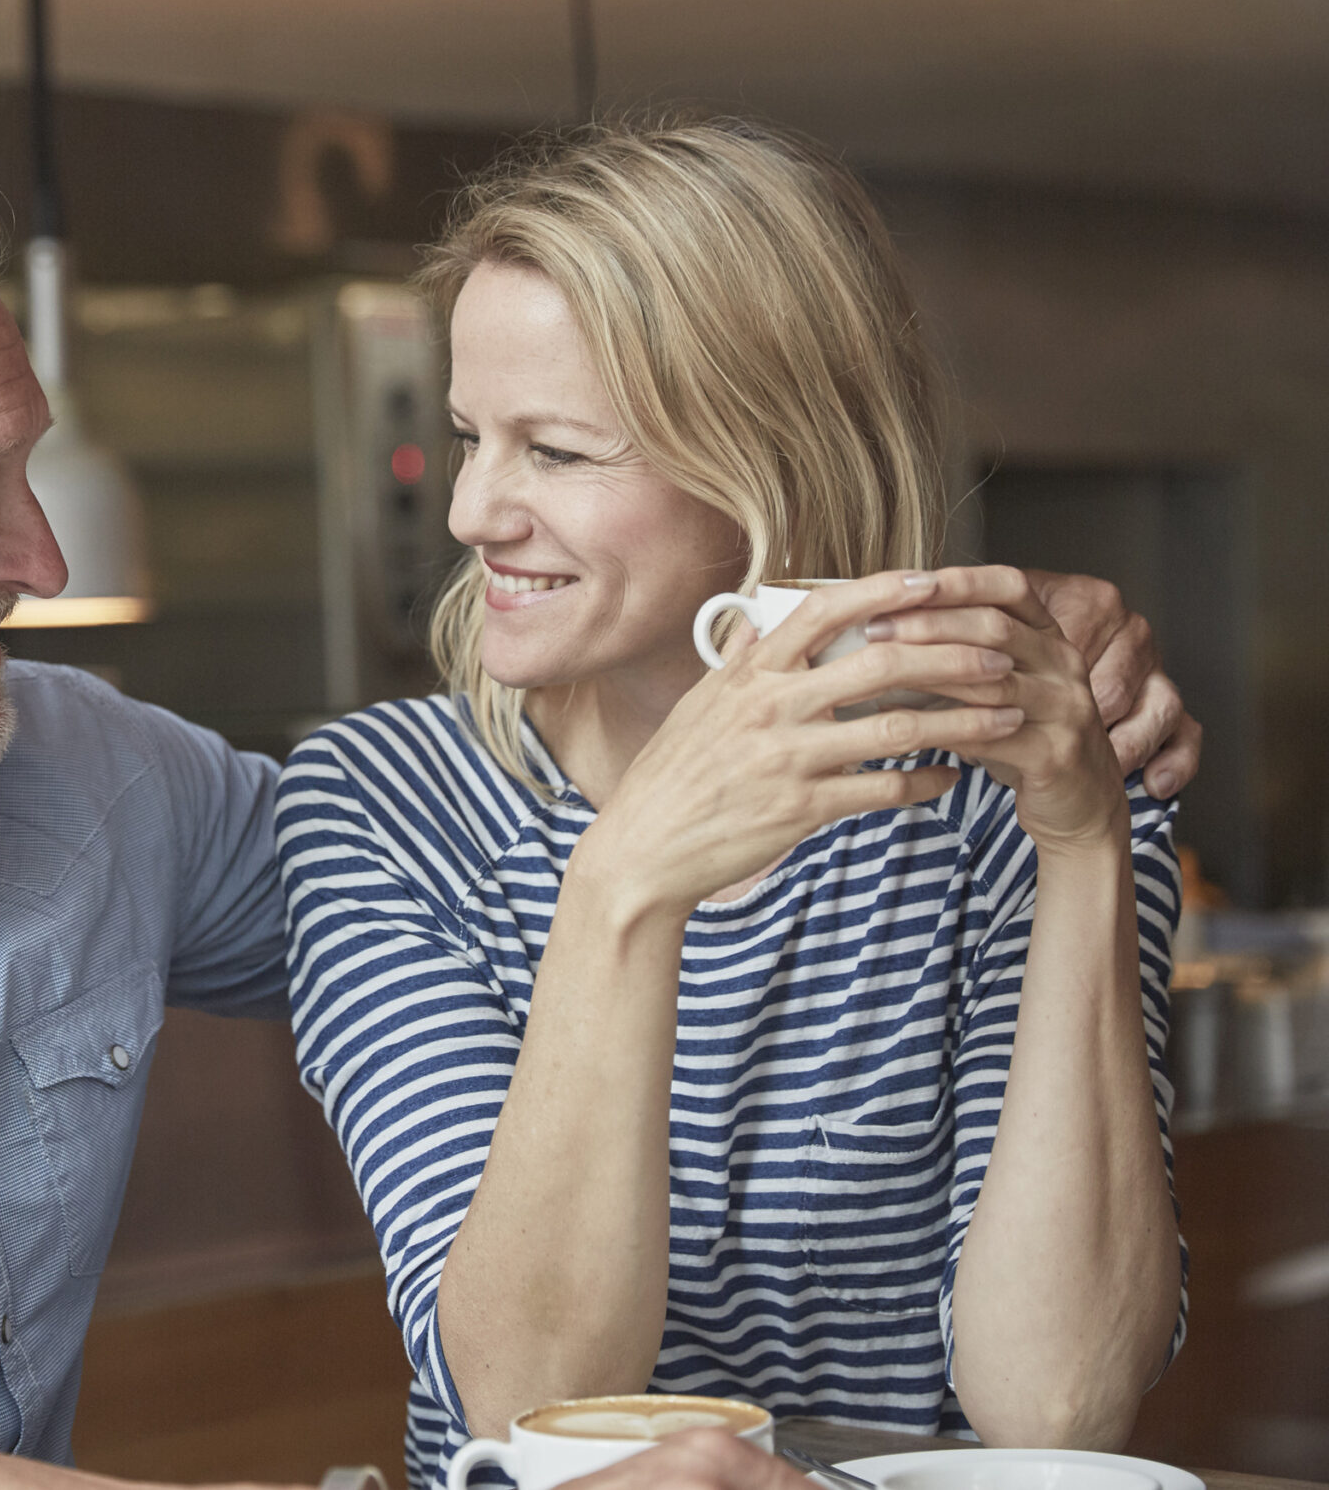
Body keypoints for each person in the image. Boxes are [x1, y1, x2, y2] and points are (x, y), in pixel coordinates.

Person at [0, 131, 1195, 1490]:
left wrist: (1057, 707)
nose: (40, 558)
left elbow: (1058, 1407)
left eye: (552, 447)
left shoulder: (87, 785)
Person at [276, 116, 1190, 1490]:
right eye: (472, 435)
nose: (471, 510)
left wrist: (1083, 842)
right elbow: (527, 1403)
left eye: (558, 452)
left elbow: (1057, 1406)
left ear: (768, 458)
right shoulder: (383, 805)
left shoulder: (1021, 792)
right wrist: (628, 882)